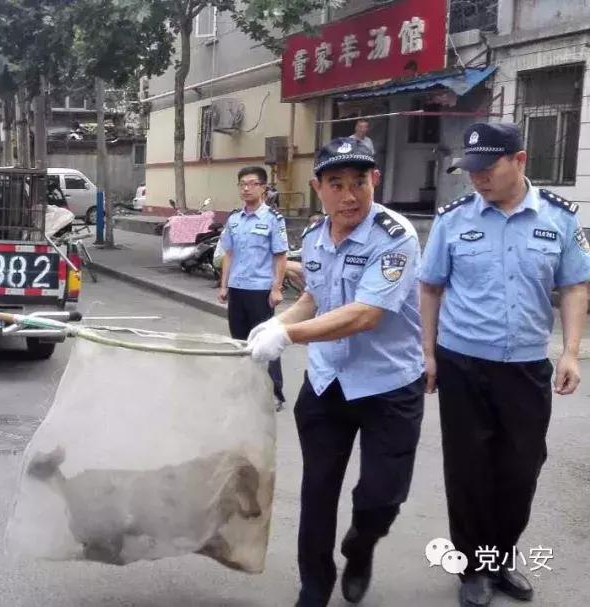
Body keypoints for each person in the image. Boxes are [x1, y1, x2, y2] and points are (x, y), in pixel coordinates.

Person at [248, 138, 425, 607]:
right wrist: (278, 320)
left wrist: (290, 337)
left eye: (360, 183)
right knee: (318, 488)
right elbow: (315, 298)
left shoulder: (395, 236)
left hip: (388, 385)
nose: (350, 196)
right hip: (327, 384)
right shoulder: (313, 236)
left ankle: (362, 544)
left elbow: (366, 314)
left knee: (382, 496)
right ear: (318, 188)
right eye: (337, 184)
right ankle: (314, 585)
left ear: (375, 182)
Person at [420, 123, 590, 607]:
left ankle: (499, 556)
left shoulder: (557, 219)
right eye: (469, 170)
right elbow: (429, 287)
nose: (476, 179)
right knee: (469, 468)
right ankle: (474, 567)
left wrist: (571, 351)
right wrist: (429, 353)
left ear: (519, 161)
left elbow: (575, 285)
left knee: (521, 468)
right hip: (463, 363)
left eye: (486, 168)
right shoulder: (454, 220)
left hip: (525, 366)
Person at [217, 166, 288, 409]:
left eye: (252, 183)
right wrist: (224, 285)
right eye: (242, 184)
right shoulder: (234, 219)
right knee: (239, 342)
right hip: (237, 289)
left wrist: (277, 288)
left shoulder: (273, 219)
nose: (246, 188)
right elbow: (229, 254)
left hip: (260, 291)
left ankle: (274, 392)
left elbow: (280, 256)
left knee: (266, 342)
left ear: (263, 187)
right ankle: (245, 387)